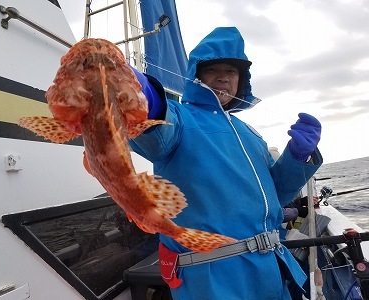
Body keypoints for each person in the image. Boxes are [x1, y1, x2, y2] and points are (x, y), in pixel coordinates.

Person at [129, 26, 323, 300]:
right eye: (213, 69)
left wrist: (297, 157)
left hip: (271, 269)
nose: (223, 77)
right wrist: (141, 94)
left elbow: (276, 194)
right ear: (196, 75)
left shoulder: (250, 133)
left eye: (231, 71)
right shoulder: (181, 118)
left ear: (242, 80)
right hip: (214, 279)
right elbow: (156, 127)